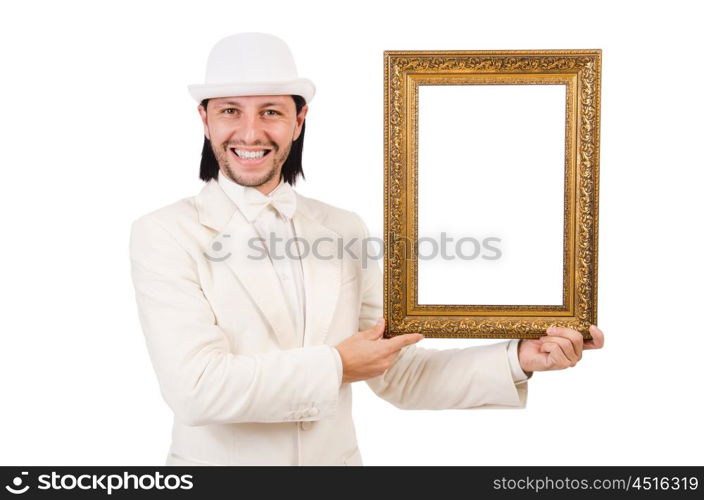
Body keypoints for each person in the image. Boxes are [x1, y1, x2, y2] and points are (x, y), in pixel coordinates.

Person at [129, 32, 605, 466]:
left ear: (298, 120)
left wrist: (520, 357)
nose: (251, 133)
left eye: (270, 111)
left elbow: (398, 373)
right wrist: (337, 365)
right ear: (205, 120)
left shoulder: (343, 228)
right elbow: (196, 390)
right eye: (230, 110)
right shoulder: (165, 233)